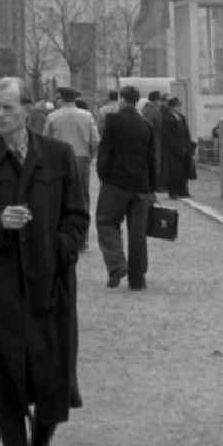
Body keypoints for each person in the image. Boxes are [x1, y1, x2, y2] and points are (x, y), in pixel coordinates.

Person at [0, 76, 89, 446]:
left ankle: (40, 442)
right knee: (4, 380)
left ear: (27, 109)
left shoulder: (58, 155)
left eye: (7, 107)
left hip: (50, 285)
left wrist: (59, 250)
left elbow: (77, 217)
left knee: (52, 376)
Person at [95, 84, 156, 292]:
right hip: (141, 185)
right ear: (137, 100)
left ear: (122, 99)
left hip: (116, 183)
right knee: (138, 233)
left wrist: (102, 174)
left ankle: (116, 266)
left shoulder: (113, 121)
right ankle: (138, 279)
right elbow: (151, 159)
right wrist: (151, 188)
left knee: (106, 222)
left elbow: (105, 150)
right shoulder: (146, 126)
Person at [44, 87, 99, 218]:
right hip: (81, 158)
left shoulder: (52, 116)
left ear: (62, 99)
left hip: (58, 159)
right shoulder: (87, 115)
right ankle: (82, 228)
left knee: (60, 191)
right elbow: (96, 140)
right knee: (82, 193)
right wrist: (90, 155)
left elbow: (45, 140)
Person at [160, 96, 195, 198]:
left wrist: (188, 145)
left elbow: (186, 132)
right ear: (171, 107)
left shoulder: (181, 117)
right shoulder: (167, 118)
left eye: (179, 106)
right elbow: (167, 135)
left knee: (184, 170)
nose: (179, 108)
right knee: (174, 171)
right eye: (177, 106)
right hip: (173, 149)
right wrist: (174, 147)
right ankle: (174, 192)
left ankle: (184, 191)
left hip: (184, 147)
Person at [141, 91, 164, 184]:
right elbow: (158, 126)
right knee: (156, 162)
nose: (160, 102)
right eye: (159, 100)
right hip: (155, 139)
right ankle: (154, 184)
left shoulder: (144, 109)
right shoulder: (155, 111)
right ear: (155, 100)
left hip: (145, 140)